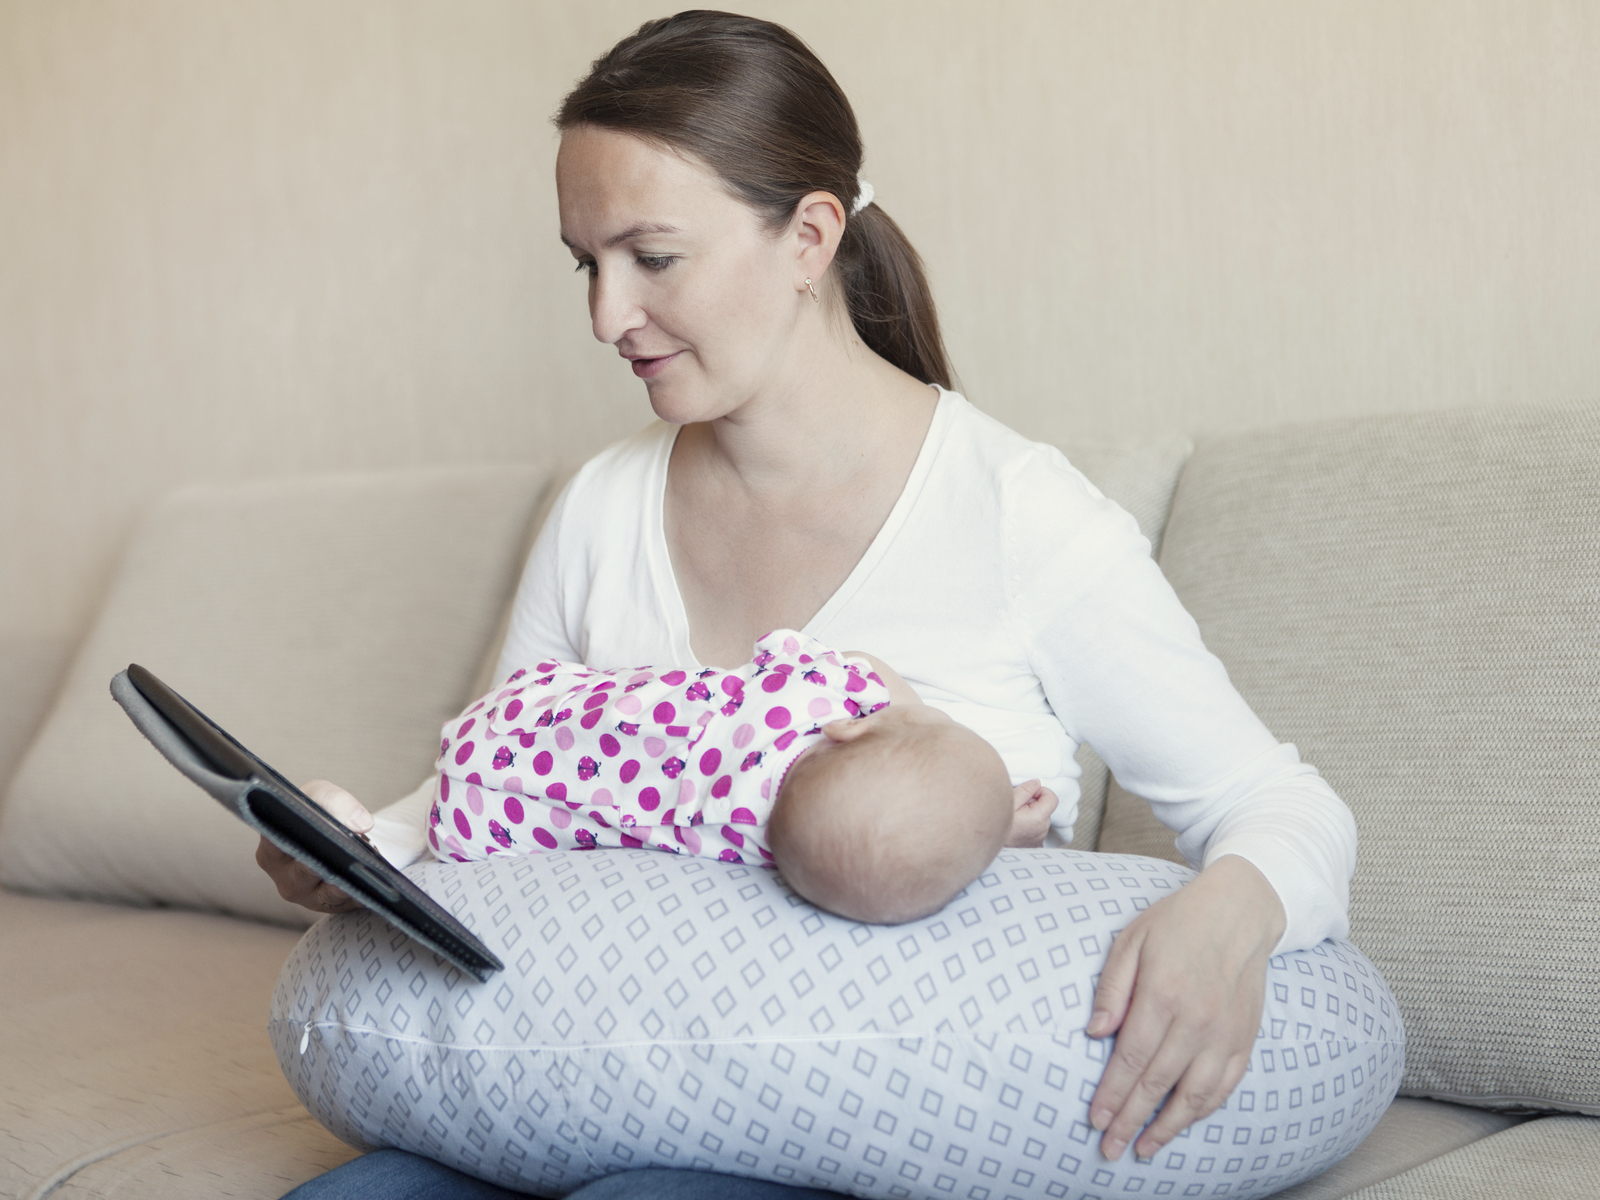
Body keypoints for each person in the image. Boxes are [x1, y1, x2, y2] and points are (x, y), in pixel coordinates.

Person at [262, 11, 1361, 1197]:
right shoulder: (598, 508)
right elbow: (516, 783)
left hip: (856, 1113)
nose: (604, 317)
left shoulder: (1016, 514)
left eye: (652, 257)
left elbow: (1278, 804)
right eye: (587, 263)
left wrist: (1230, 914)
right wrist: (370, 844)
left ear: (810, 235)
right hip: (594, 1075)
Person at [421, 629, 1043, 924]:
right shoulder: (740, 842)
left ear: (853, 727)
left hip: (532, 705)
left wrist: (911, 718)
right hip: (482, 811)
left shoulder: (807, 702)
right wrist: (993, 834)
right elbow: (892, 840)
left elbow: (863, 667)